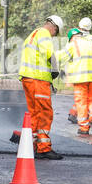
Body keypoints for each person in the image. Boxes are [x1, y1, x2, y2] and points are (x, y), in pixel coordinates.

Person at [18, 15, 63, 160]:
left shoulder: (33, 34)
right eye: (56, 32)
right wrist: (55, 69)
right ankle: (44, 148)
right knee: (45, 112)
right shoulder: (44, 33)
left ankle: (32, 146)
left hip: (28, 78)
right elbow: (48, 52)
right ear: (54, 27)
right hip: (39, 79)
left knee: (35, 114)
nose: (54, 35)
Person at [58, 16, 92, 135]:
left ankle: (84, 128)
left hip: (80, 78)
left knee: (81, 102)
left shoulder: (74, 42)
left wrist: (50, 61)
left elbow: (62, 56)